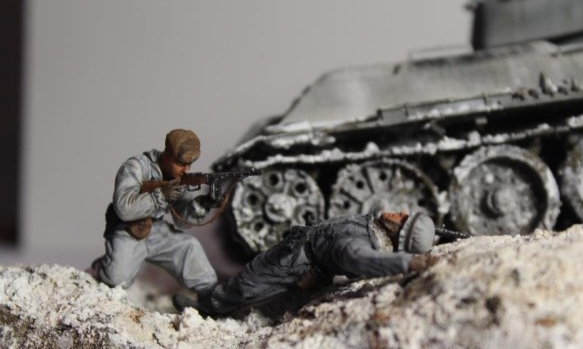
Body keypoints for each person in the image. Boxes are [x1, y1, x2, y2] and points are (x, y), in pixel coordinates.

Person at [173, 210, 436, 317]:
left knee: (248, 284)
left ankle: (207, 308)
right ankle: (227, 307)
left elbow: (359, 259)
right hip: (298, 247)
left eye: (402, 218)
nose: (397, 212)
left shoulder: (363, 245)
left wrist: (408, 263)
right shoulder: (371, 226)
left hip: (299, 262)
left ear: (399, 231)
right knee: (256, 279)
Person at [93, 129, 218, 300]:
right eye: (181, 163)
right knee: (116, 278)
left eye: (190, 164)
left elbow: (182, 222)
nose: (186, 169)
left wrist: (203, 204)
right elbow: (123, 208)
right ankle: (104, 264)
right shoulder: (136, 167)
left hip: (156, 229)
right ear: (167, 154)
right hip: (127, 230)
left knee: (189, 246)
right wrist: (160, 195)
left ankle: (211, 298)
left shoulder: (181, 176)